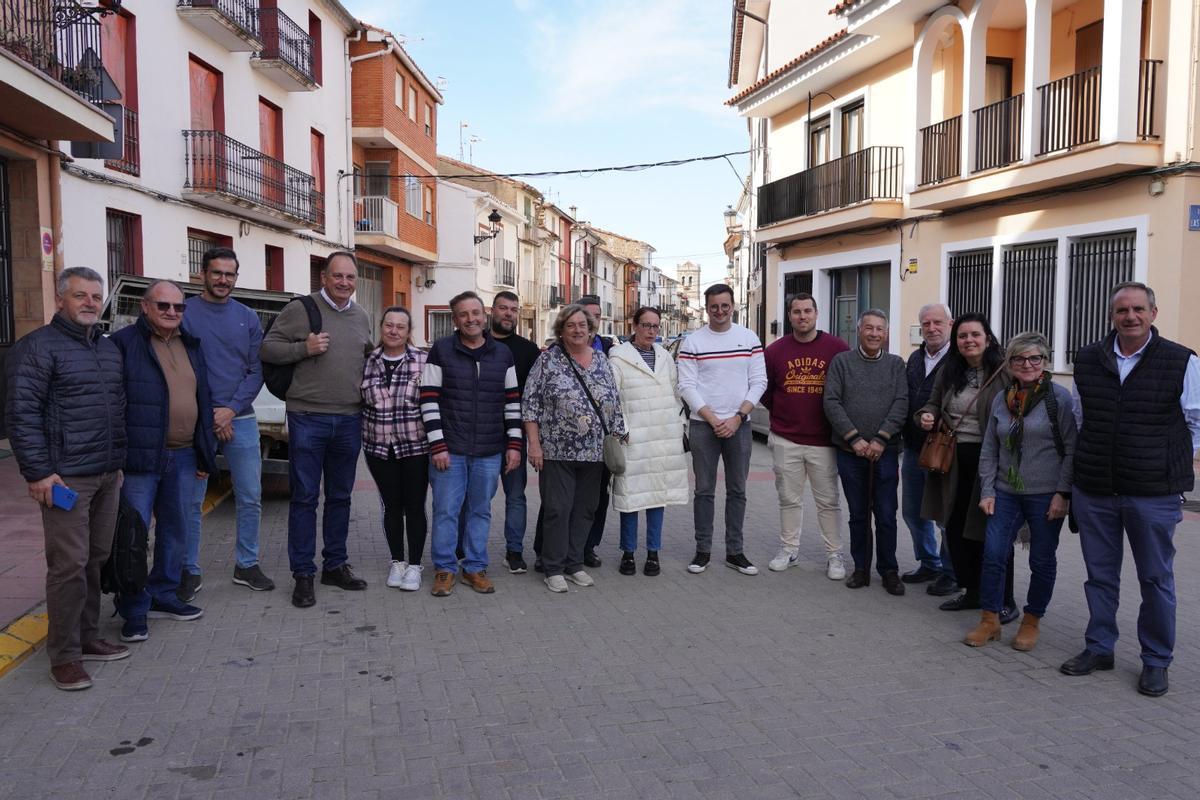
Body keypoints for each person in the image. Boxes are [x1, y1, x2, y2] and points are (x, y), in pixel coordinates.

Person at [1060, 282, 1200, 697]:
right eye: (1122, 310)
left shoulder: (1181, 361)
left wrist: (1165, 460)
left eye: (1139, 309)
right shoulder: (1087, 359)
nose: (1131, 317)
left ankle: (1156, 660)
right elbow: (1081, 419)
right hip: (1097, 489)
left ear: (1153, 313)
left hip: (1152, 492)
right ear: (1112, 317)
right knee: (1100, 577)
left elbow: (1196, 421)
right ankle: (1100, 647)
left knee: (1156, 578)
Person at [5, 267, 129, 690]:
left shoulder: (108, 349)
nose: (90, 303)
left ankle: (88, 636)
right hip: (64, 479)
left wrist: (119, 464)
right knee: (69, 566)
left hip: (107, 473)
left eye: (96, 296)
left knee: (95, 559)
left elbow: (117, 407)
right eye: (81, 296)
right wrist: (38, 471)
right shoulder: (37, 348)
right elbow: (21, 415)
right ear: (61, 299)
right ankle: (64, 656)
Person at [260, 251, 374, 609]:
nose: (344, 283)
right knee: (305, 497)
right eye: (337, 276)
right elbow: (267, 348)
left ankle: (335, 565)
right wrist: (303, 348)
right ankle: (303, 574)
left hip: (349, 418)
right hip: (307, 415)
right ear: (324, 277)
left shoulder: (361, 316)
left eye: (350, 278)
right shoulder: (301, 309)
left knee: (340, 497)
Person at [111, 280, 219, 642]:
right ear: (145, 307)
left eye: (178, 307)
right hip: (141, 459)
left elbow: (203, 396)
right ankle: (133, 608)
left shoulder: (191, 344)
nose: (172, 312)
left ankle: (163, 594)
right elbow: (113, 404)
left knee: (176, 531)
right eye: (164, 306)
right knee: (133, 536)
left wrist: (204, 451)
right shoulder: (124, 345)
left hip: (184, 456)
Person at [969, 332, 1076, 649]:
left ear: (1045, 362)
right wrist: (987, 490)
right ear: (1010, 363)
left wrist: (1063, 493)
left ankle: (1031, 621)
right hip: (1005, 491)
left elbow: (1071, 450)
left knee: (1042, 561)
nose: (1027, 364)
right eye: (1019, 358)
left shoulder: (1060, 399)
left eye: (1035, 358)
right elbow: (990, 448)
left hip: (1046, 495)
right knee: (993, 554)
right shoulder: (1003, 399)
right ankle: (990, 620)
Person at [181, 247, 273, 598]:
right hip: (197, 421)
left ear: (236, 277)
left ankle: (246, 564)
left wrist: (230, 410)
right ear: (202, 273)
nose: (223, 280)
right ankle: (189, 570)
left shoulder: (247, 317)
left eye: (229, 274)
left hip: (241, 420)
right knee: (192, 499)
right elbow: (181, 370)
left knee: (251, 496)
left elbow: (255, 370)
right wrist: (211, 414)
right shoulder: (185, 313)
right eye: (216, 273)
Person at [420, 291, 522, 598]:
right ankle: (444, 569)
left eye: (475, 313)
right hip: (450, 449)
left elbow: (512, 402)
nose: (471, 319)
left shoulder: (502, 354)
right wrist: (437, 445)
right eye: (463, 314)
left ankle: (474, 567)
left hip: (490, 450)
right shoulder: (441, 350)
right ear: (455, 320)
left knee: (481, 511)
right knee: (446, 511)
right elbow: (428, 399)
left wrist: (514, 445)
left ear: (484, 315)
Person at [917, 313, 1017, 621]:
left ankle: (1004, 599)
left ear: (987, 338)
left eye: (975, 334)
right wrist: (927, 415)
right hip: (953, 458)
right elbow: (932, 402)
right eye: (962, 336)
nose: (968, 340)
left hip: (993, 461)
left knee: (993, 531)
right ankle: (972, 591)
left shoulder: (1005, 371)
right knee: (957, 527)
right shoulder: (950, 370)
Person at [523, 304, 625, 592]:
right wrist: (534, 444)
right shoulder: (548, 361)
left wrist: (618, 435)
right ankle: (553, 566)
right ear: (562, 330)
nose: (578, 330)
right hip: (556, 451)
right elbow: (530, 405)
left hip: (594, 452)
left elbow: (614, 402)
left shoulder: (602, 360)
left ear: (591, 329)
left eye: (583, 325)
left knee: (585, 509)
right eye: (571, 325)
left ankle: (574, 563)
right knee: (558, 508)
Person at [677, 283, 767, 576]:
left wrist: (738, 418)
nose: (720, 311)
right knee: (704, 490)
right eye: (714, 306)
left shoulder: (749, 338)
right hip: (705, 427)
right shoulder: (693, 342)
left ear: (732, 306)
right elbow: (686, 385)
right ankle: (702, 551)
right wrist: (713, 419)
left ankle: (735, 552)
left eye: (725, 306)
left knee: (737, 490)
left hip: (739, 426)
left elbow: (759, 382)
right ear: (707, 308)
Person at [762, 293, 849, 579]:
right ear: (790, 316)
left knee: (828, 502)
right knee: (788, 499)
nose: (802, 316)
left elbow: (845, 390)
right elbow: (766, 390)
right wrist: (785, 413)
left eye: (807, 311)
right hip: (786, 437)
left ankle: (834, 554)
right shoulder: (775, 351)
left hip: (823, 440)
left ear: (816, 313)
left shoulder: (837, 348)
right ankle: (789, 549)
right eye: (797, 312)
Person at [823, 309, 908, 594]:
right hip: (850, 452)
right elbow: (832, 402)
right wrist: (856, 439)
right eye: (869, 328)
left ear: (886, 333)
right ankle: (861, 568)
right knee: (858, 513)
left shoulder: (897, 365)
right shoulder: (842, 362)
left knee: (885, 513)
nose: (874, 334)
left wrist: (881, 439)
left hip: (885, 451)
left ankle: (889, 570)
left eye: (879, 329)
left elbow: (901, 403)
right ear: (859, 330)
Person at [459, 291, 540, 574]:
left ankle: (514, 551)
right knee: (472, 497)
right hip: (481, 434)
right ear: (492, 311)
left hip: (514, 435)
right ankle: (464, 550)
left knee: (516, 496)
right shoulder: (475, 343)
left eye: (514, 310)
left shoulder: (529, 350)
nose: (509, 314)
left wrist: (531, 440)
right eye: (503, 308)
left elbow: (533, 399)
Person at [608, 306, 688, 576]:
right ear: (635, 325)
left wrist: (680, 425)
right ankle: (628, 553)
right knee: (630, 499)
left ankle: (653, 553)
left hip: (662, 438)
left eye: (655, 326)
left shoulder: (665, 357)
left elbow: (675, 394)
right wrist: (622, 430)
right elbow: (612, 400)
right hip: (633, 439)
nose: (651, 331)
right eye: (646, 325)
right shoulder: (618, 358)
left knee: (657, 497)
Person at [361, 306, 429, 592]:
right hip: (378, 448)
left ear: (408, 331)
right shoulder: (367, 361)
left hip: (415, 446)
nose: (394, 331)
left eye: (400, 327)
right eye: (389, 325)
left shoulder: (423, 361)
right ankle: (397, 561)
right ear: (381, 327)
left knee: (414, 506)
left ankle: (414, 565)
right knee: (391, 506)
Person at [903, 303, 957, 596]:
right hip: (913, 449)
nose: (932, 328)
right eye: (926, 324)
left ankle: (951, 571)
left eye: (938, 322)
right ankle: (929, 562)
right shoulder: (914, 358)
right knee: (913, 512)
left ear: (950, 324)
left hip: (945, 451)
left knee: (944, 516)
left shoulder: (960, 360)